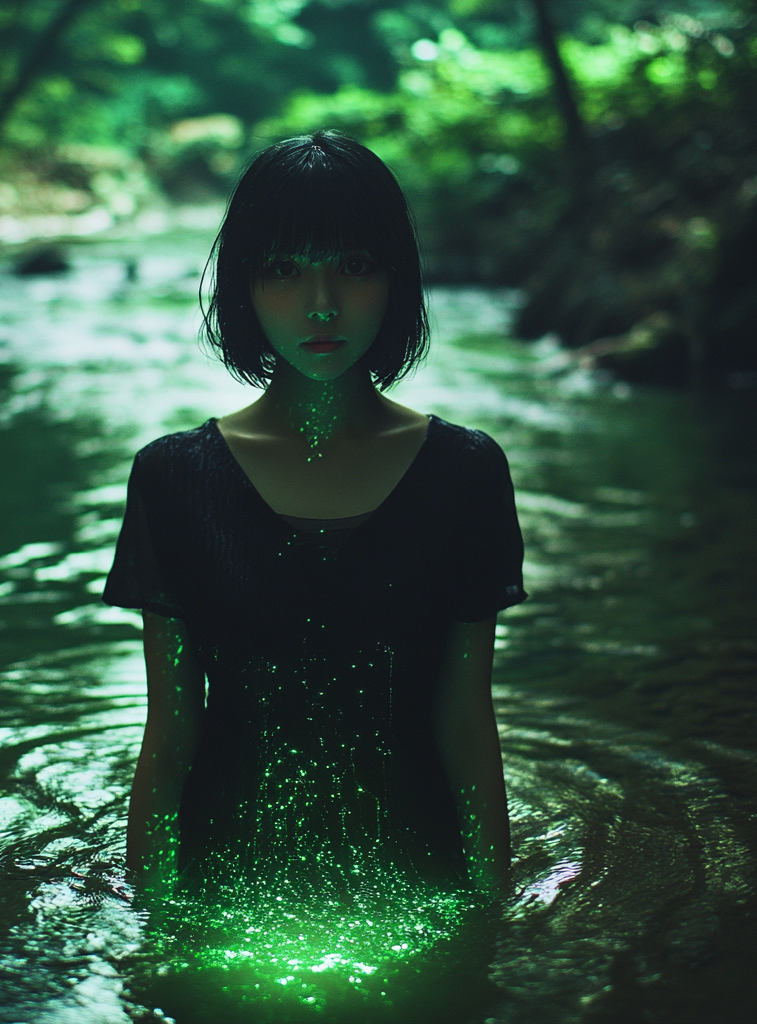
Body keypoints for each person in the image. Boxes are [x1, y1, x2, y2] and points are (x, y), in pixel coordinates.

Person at [103, 130, 526, 908]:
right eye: (284, 270)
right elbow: (170, 736)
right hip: (226, 883)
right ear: (242, 287)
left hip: (415, 878)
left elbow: (465, 724)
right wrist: (150, 925)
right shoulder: (173, 478)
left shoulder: (466, 472)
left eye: (354, 266)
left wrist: (494, 916)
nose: (321, 303)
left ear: (396, 276)